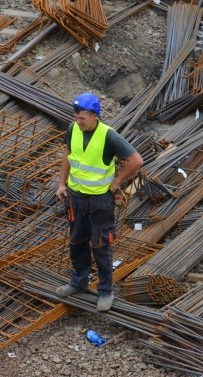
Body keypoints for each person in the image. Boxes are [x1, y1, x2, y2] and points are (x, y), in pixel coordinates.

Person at [55, 92, 143, 311]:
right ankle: (79, 281)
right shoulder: (72, 129)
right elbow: (67, 155)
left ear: (94, 115)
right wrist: (61, 184)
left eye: (82, 118)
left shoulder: (108, 135)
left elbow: (136, 160)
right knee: (76, 242)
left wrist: (116, 183)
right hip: (76, 198)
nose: (78, 121)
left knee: (101, 245)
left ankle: (105, 291)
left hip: (100, 201)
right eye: (76, 117)